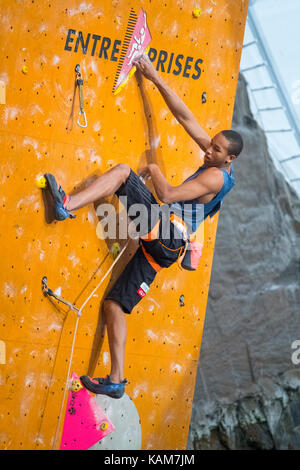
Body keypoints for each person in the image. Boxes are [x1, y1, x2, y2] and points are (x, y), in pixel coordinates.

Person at [44, 53, 243, 398]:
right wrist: (152, 76)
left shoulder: (214, 176)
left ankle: (67, 206)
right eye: (211, 144)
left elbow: (165, 194)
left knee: (123, 172)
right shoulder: (218, 163)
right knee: (114, 305)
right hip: (164, 250)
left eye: (216, 148)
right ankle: (117, 380)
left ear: (230, 159)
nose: (208, 149)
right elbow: (185, 116)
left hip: (166, 236)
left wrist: (151, 169)